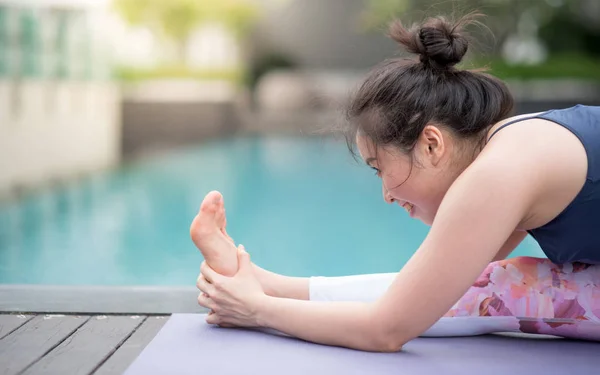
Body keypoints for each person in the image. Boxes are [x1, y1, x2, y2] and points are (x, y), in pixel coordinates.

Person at [190, 12, 600, 351]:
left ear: (431, 145)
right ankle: (269, 283)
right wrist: (263, 291)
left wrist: (255, 311)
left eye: (379, 168)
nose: (386, 195)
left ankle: (264, 290)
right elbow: (442, 282)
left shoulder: (499, 172)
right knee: (484, 284)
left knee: (508, 291)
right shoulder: (513, 145)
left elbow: (387, 329)